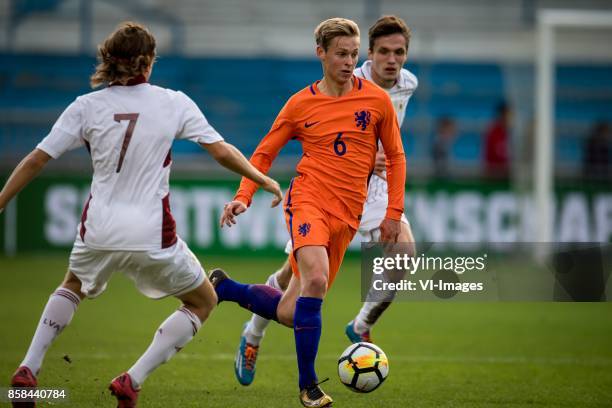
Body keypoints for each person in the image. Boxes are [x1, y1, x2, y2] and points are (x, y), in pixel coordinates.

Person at [1, 22, 282, 408]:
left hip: (97, 227)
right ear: (148, 62)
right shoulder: (173, 102)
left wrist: (1, 200)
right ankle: (132, 379)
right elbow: (220, 150)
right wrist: (260, 178)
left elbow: (36, 159)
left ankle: (29, 368)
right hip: (152, 232)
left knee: (73, 284)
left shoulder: (86, 106)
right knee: (203, 301)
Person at [211, 17, 407, 407]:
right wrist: (244, 195)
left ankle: (225, 288)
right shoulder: (301, 104)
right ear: (321, 53)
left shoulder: (376, 100)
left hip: (349, 214)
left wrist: (392, 212)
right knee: (315, 280)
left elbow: (397, 157)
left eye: (353, 55)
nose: (349, 62)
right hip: (308, 200)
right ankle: (309, 386)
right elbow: (264, 153)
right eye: (340, 54)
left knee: (289, 312)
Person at [483, 101, 512, 178]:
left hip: (507, 173)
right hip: (495, 174)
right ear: (502, 115)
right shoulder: (493, 132)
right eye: (509, 115)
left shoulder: (509, 132)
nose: (511, 118)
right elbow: (495, 155)